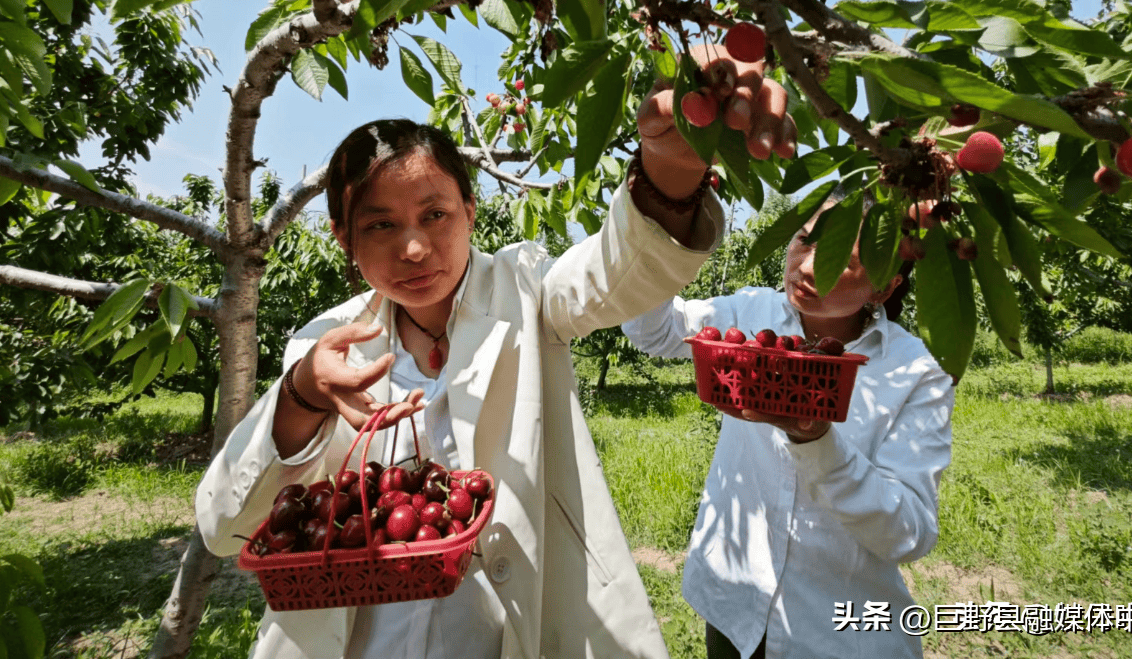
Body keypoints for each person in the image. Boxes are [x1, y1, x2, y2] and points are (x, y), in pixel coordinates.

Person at [195, 43, 798, 659]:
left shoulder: (526, 289)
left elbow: (610, 275)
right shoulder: (325, 343)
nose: (413, 248)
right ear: (343, 238)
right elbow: (226, 526)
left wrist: (670, 166)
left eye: (435, 214)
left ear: (470, 212)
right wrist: (302, 394)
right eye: (380, 225)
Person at [621, 193, 955, 659]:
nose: (807, 267)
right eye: (803, 241)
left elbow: (909, 533)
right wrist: (660, 222)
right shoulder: (751, 314)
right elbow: (653, 330)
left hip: (832, 635)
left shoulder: (916, 375)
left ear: (883, 287)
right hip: (733, 606)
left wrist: (816, 439)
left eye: (840, 258)